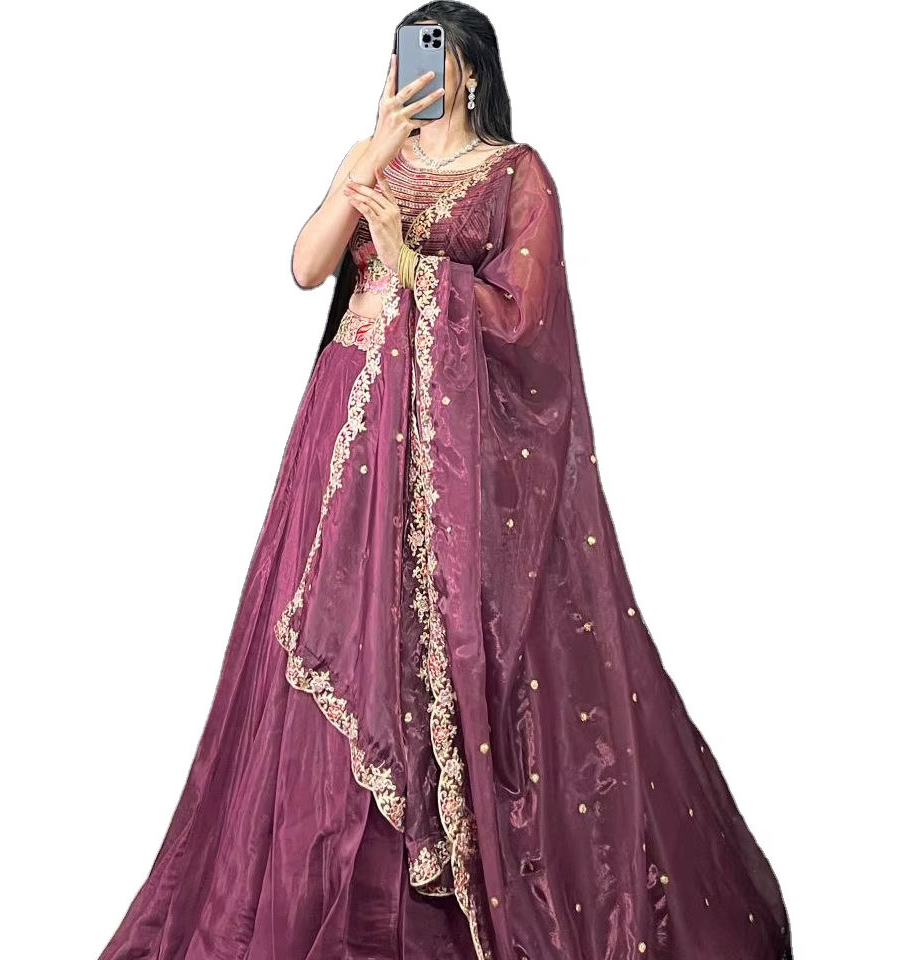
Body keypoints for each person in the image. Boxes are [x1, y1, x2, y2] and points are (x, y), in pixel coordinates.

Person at [96, 4, 793, 959]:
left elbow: (526, 318)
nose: (412, 74)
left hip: (446, 459)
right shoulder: (374, 159)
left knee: (437, 647)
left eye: (431, 57)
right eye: (401, 57)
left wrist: (414, 261)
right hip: (345, 433)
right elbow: (306, 266)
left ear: (466, 71)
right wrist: (372, 153)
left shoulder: (515, 174)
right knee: (327, 634)